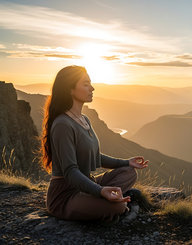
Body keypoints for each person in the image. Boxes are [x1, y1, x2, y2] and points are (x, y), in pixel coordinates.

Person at [41, 65, 149, 223]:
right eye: (85, 84)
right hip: (66, 195)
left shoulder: (84, 120)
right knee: (117, 208)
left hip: (87, 183)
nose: (92, 88)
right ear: (70, 89)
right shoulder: (63, 124)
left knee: (129, 172)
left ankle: (108, 198)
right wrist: (100, 191)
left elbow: (95, 156)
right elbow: (70, 172)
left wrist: (127, 162)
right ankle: (113, 201)